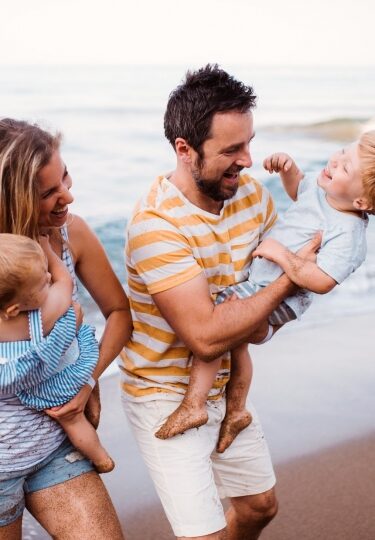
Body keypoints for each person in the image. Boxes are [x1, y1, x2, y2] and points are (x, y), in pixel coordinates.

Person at [121, 64, 320, 540]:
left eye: (249, 143)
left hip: (227, 384)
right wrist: (291, 281)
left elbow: (258, 308)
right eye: (231, 150)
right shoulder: (156, 227)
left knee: (258, 508)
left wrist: (259, 316)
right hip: (165, 392)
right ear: (185, 150)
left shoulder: (248, 193)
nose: (248, 161)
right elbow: (206, 336)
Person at [156, 132, 375, 452]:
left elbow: (323, 280)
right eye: (342, 151)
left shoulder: (349, 234)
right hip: (264, 281)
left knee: (221, 320)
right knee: (237, 341)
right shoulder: (325, 187)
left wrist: (281, 256)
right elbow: (299, 191)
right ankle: (237, 410)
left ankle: (194, 405)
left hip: (281, 293)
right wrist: (288, 170)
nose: (335, 161)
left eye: (345, 168)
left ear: (361, 202)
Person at [0, 118, 131, 539]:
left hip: (58, 444)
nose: (68, 196)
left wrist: (87, 383)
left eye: (66, 177)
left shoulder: (69, 234)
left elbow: (118, 313)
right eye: (49, 192)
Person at [0, 233, 114, 473]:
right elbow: (65, 282)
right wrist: (48, 252)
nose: (49, 277)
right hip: (66, 375)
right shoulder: (42, 314)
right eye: (42, 284)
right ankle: (101, 457)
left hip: (35, 387)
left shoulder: (7, 326)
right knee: (73, 419)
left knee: (71, 421)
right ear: (13, 309)